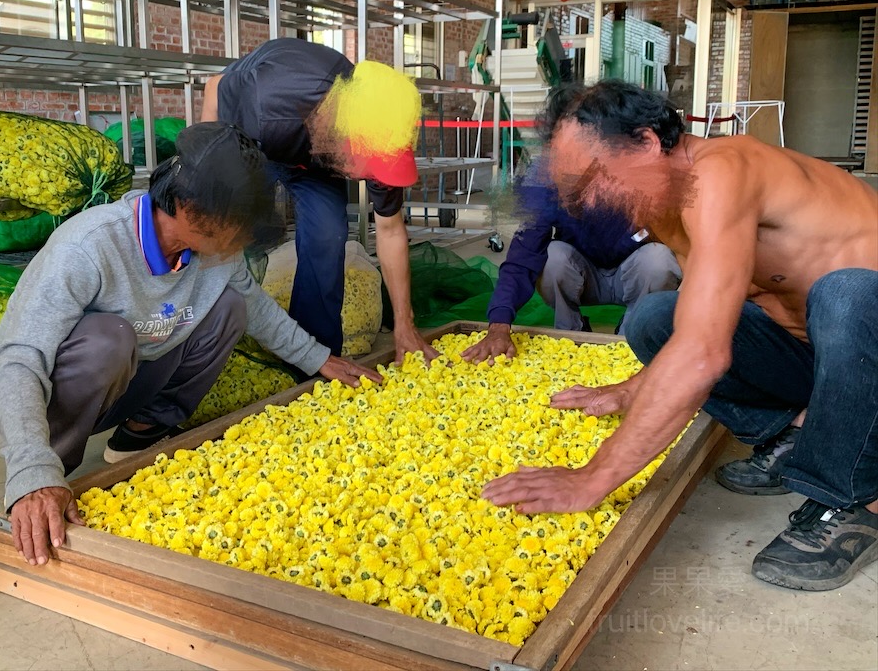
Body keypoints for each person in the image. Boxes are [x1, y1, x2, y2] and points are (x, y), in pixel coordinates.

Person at [481, 80, 877, 592]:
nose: (591, 201)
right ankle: (795, 437)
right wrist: (630, 390)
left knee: (846, 295)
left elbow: (703, 354)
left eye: (596, 177)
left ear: (646, 143)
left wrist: (593, 477)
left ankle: (853, 501)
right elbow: (700, 324)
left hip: (864, 345)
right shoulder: (668, 206)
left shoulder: (721, 171)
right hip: (821, 362)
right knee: (655, 318)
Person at [0, 123, 381, 567]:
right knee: (110, 338)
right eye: (238, 225)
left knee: (231, 307)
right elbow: (22, 358)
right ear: (187, 207)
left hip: (125, 371)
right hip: (25, 384)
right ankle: (49, 472)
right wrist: (32, 471)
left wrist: (320, 360)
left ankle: (137, 435)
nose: (243, 238)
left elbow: (257, 308)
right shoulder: (87, 247)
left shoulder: (216, 252)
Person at [201, 37, 438, 364]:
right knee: (234, 234)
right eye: (369, 165)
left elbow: (391, 231)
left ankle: (314, 363)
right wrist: (205, 185)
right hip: (249, 140)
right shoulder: (271, 103)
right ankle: (217, 346)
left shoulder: (383, 133)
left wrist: (404, 324)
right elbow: (214, 88)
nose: (372, 177)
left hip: (312, 158)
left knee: (327, 236)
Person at [461, 169, 681, 363]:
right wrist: (499, 324)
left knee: (659, 258)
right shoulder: (550, 180)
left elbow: (686, 248)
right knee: (553, 256)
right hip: (584, 277)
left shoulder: (642, 175)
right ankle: (572, 333)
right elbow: (522, 257)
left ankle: (630, 332)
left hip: (632, 276)